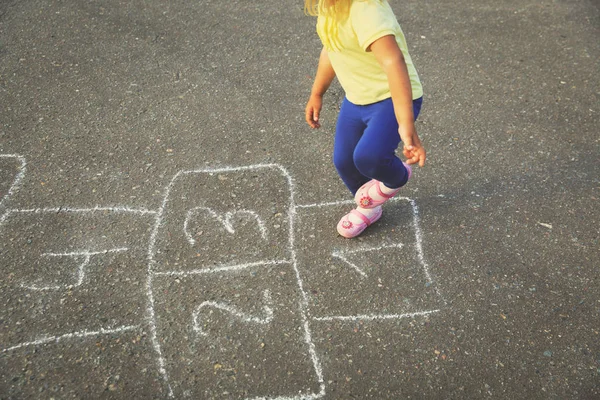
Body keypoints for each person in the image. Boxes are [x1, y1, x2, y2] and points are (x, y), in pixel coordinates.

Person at [304, 0, 426, 238]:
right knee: (344, 161)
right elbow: (331, 49)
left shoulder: (366, 9)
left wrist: (405, 122)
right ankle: (369, 208)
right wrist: (317, 93)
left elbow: (393, 63)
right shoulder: (330, 6)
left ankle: (398, 176)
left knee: (369, 157)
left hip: (392, 96)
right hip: (357, 97)